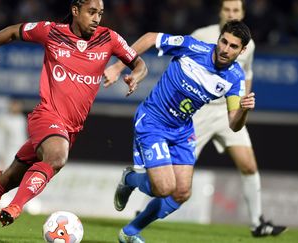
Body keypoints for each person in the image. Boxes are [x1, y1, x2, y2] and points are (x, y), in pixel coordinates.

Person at [0, 0, 147, 242]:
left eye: (100, 13)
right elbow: (14, 31)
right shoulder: (52, 32)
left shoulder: (108, 39)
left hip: (70, 129)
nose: (97, 18)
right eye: (91, 12)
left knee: (10, 178)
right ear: (76, 11)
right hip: (46, 117)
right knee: (57, 157)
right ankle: (15, 207)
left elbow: (140, 64)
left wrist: (134, 76)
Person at [104, 20, 254, 243]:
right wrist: (118, 67)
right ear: (218, 39)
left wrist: (242, 111)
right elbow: (150, 37)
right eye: (223, 42)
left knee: (181, 193)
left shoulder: (235, 77)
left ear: (242, 50)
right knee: (163, 188)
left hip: (182, 130)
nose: (225, 49)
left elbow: (234, 123)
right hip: (153, 121)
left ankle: (129, 233)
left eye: (233, 46)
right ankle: (130, 179)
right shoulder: (193, 48)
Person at [191, 0, 286, 237]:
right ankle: (141, 207)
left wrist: (241, 110)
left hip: (227, 110)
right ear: (220, 11)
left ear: (242, 13)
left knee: (249, 164)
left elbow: (247, 74)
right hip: (200, 110)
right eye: (227, 9)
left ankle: (257, 223)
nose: (231, 14)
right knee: (175, 171)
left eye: (236, 10)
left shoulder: (247, 44)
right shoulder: (202, 35)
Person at [0, 99, 27, 170]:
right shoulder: (4, 120)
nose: (16, 107)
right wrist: (0, 155)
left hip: (23, 153)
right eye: (14, 104)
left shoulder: (23, 119)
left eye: (18, 105)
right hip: (9, 154)